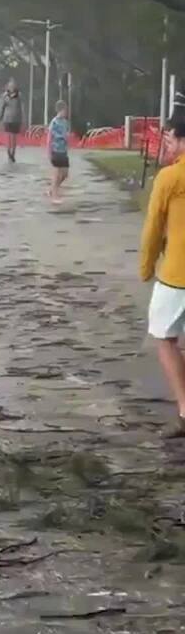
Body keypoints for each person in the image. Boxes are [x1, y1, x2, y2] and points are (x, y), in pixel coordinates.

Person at [139, 120, 185, 437]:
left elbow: (153, 228)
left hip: (176, 276)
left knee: (165, 337)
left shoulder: (169, 177)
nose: (166, 143)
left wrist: (146, 266)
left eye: (169, 138)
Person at [47, 100, 70, 202]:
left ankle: (52, 189)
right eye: (65, 110)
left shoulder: (65, 122)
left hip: (63, 151)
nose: (66, 112)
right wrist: (49, 152)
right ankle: (54, 196)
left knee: (64, 174)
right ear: (60, 110)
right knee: (56, 175)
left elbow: (66, 135)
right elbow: (49, 137)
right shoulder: (54, 122)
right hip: (55, 150)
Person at [0, 79, 24, 163]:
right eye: (10, 86)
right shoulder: (5, 96)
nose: (11, 87)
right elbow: (2, 107)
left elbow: (21, 108)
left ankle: (13, 153)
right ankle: (8, 152)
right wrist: (0, 117)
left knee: (14, 137)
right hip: (7, 118)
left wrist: (23, 119)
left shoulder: (19, 96)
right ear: (8, 87)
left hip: (16, 119)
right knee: (8, 136)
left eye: (13, 86)